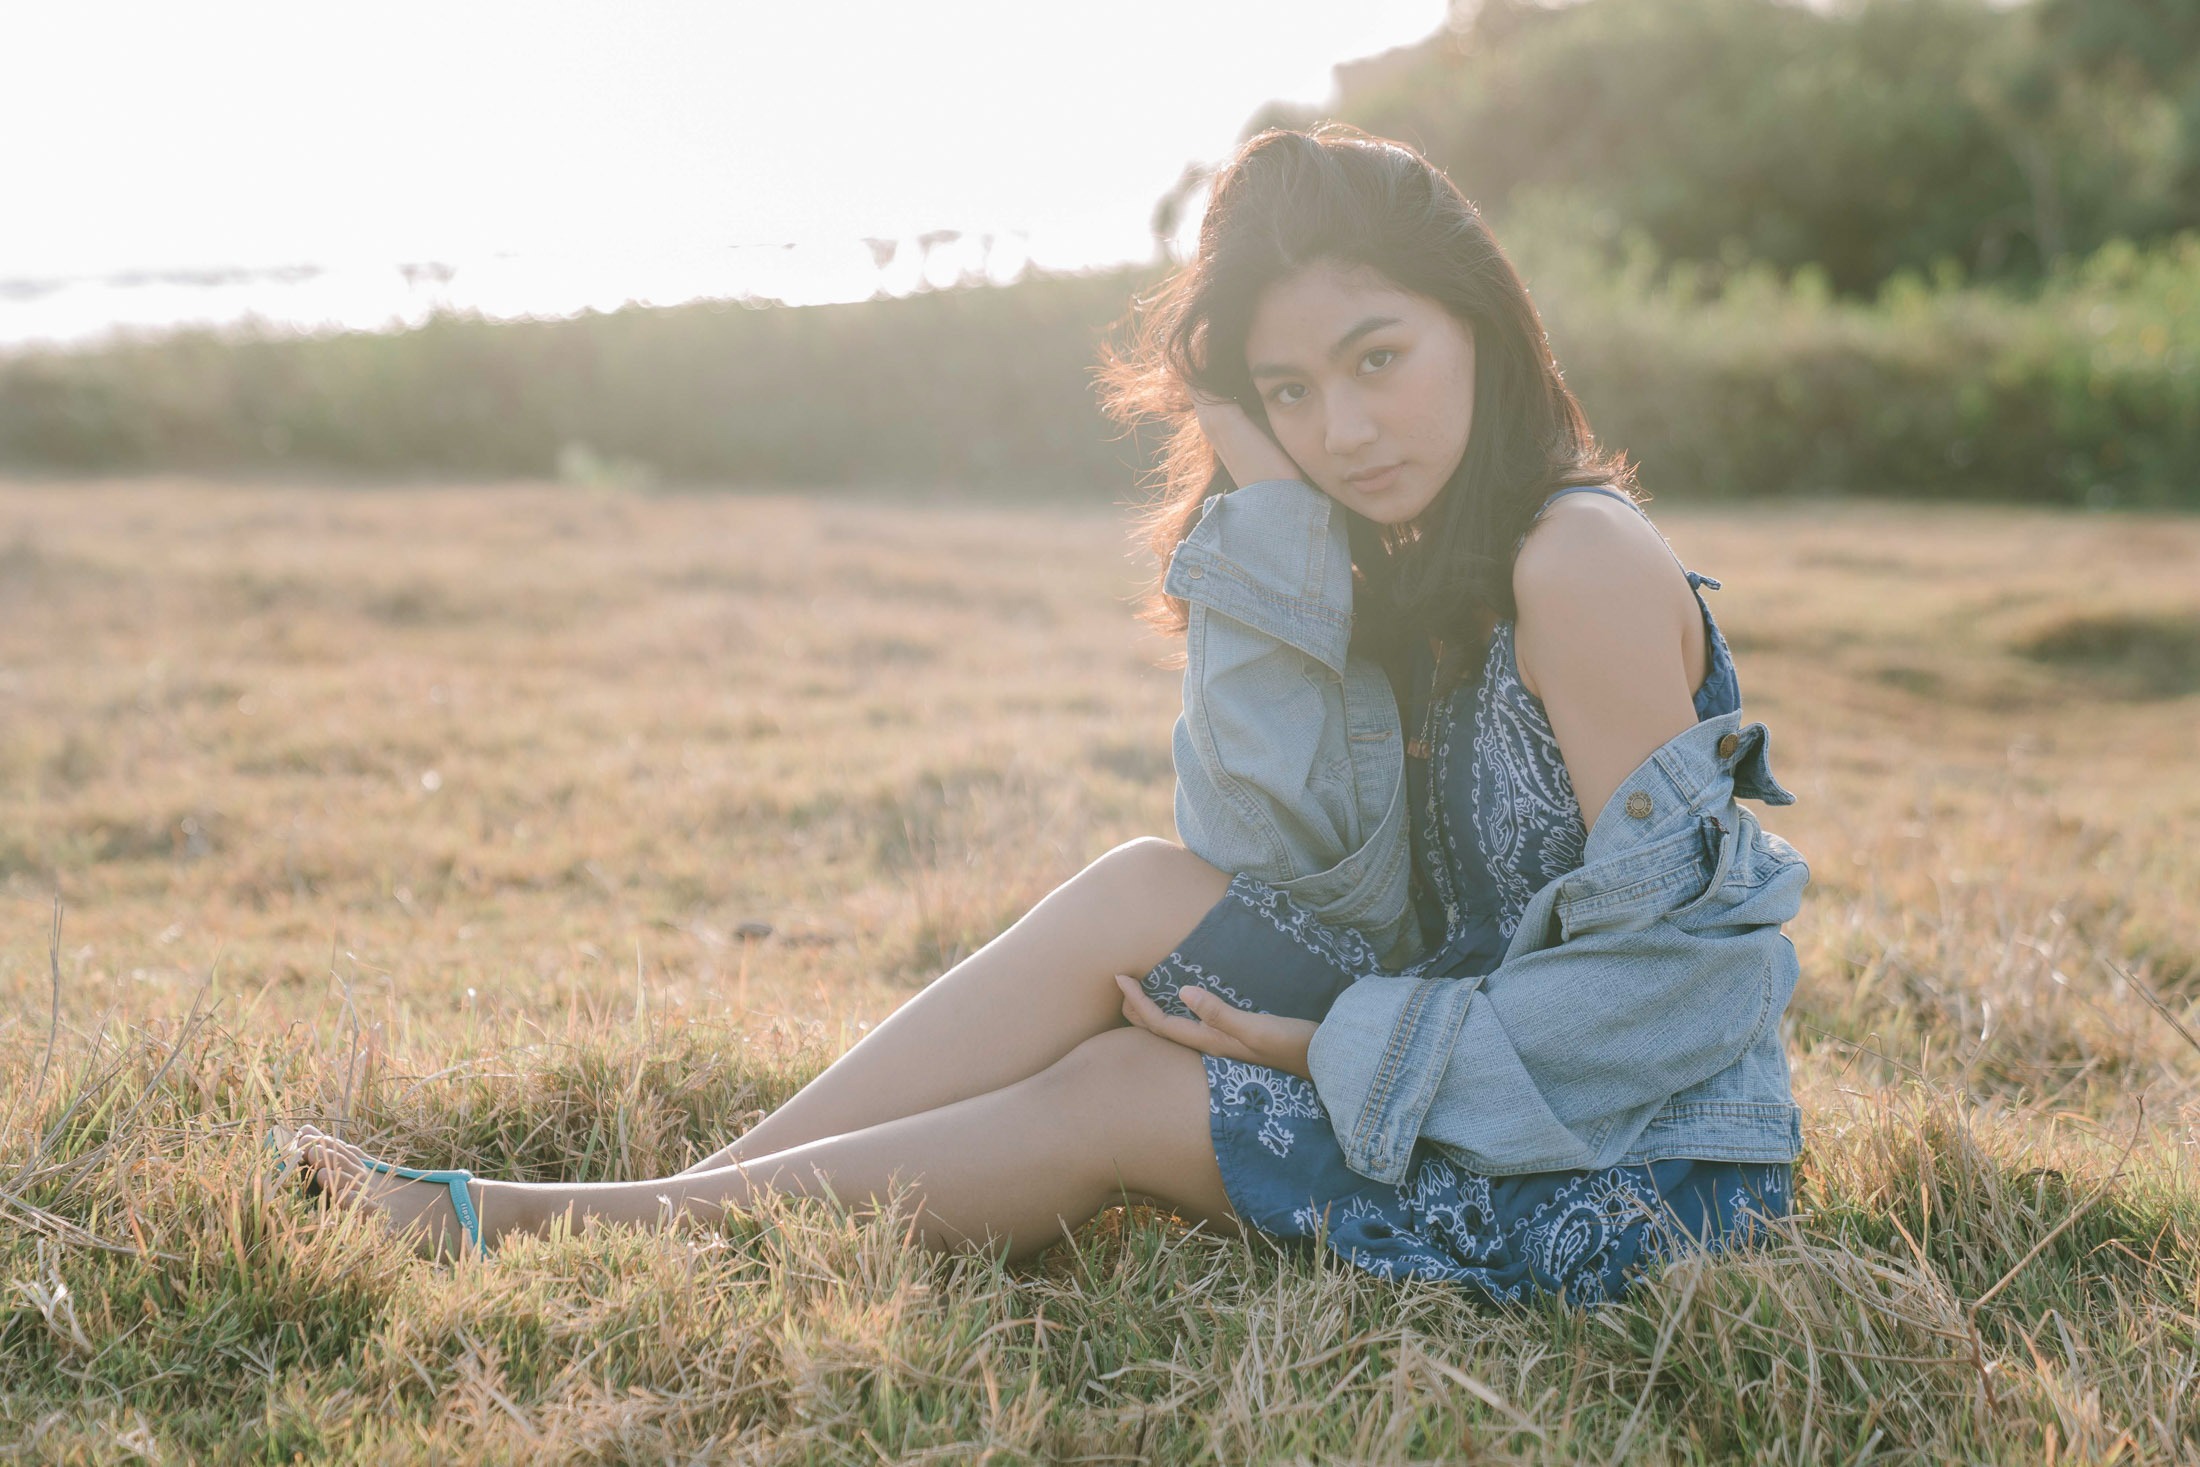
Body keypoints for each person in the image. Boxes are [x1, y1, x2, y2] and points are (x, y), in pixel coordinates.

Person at [290, 124, 1809, 1306]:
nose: (1341, 428)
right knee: (1144, 886)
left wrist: (1317, 1042)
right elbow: (1275, 856)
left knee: (1118, 1094)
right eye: (1287, 392)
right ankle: (670, 1211)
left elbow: (1670, 1003)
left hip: (1632, 1168)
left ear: (1478, 322)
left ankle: (547, 1228)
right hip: (1463, 1054)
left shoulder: (1578, 561)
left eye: (1378, 361)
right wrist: (1275, 525)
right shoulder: (1412, 552)